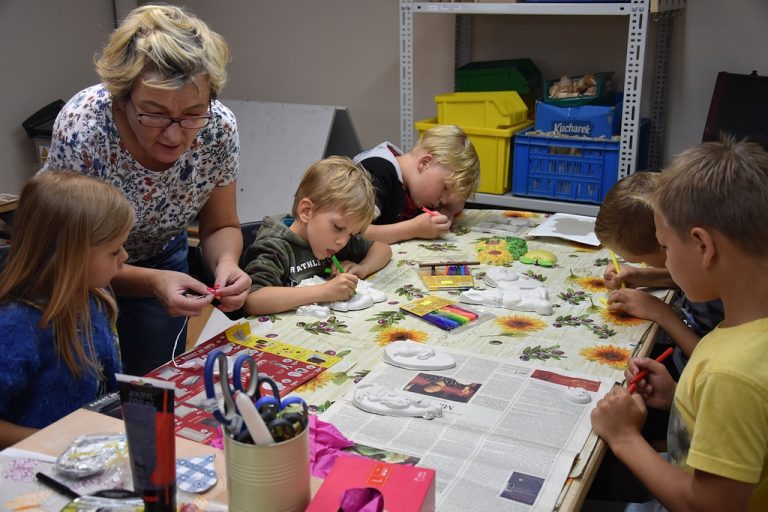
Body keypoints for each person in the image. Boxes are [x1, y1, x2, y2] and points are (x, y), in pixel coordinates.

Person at [42, 5, 251, 375]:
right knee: (85, 379)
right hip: (76, 268)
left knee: (155, 378)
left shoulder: (217, 129)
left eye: (192, 113)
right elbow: (72, 253)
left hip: (160, 255)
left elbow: (220, 225)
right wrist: (154, 281)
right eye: (153, 113)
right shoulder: (86, 127)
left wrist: (226, 265)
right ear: (122, 99)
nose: (174, 134)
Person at [590, 138, 768, 511]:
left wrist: (624, 437)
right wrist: (680, 399)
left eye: (666, 249)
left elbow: (707, 506)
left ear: (703, 246)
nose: (664, 266)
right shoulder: (746, 327)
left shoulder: (732, 375)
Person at [0, 171, 133, 448]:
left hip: (90, 452)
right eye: (114, 251)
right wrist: (56, 443)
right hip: (38, 468)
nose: (125, 257)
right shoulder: (16, 327)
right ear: (70, 256)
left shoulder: (93, 299)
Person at [595, 172, 723, 366]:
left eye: (666, 247)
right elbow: (683, 275)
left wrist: (660, 312)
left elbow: (715, 363)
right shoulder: (701, 268)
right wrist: (643, 276)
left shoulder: (725, 293)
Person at [242, 156, 392, 316]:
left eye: (351, 234)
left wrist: (363, 268)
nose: (343, 241)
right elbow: (253, 300)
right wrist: (324, 291)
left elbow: (382, 249)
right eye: (338, 227)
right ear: (306, 211)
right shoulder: (275, 247)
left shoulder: (335, 241)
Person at [354, 125, 480, 244]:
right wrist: (413, 229)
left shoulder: (415, 182)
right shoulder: (376, 174)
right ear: (425, 163)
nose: (444, 199)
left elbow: (457, 202)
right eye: (445, 188)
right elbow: (353, 233)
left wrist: (447, 210)